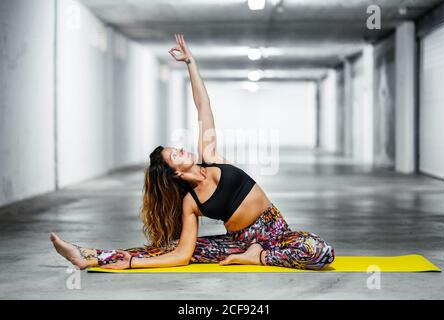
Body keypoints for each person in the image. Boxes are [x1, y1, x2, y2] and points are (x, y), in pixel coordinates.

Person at [50, 34, 335, 271]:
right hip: (238, 242)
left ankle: (257, 257)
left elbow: (203, 107)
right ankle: (88, 255)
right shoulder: (191, 202)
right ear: (175, 171)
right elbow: (182, 255)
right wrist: (132, 263)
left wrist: (191, 64)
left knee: (320, 252)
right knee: (166, 248)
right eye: (176, 155)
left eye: (176, 149)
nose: (182, 150)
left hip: (276, 234)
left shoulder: (209, 157)